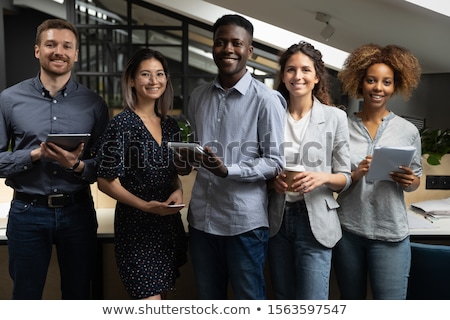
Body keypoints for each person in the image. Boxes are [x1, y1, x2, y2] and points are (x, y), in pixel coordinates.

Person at [0, 18, 109, 299]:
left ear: (75, 54)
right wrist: (36, 154)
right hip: (27, 213)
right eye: (50, 44)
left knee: (78, 296)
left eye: (66, 46)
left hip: (78, 213)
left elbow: (105, 164)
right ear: (37, 50)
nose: (58, 51)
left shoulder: (94, 103)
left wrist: (77, 165)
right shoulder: (9, 100)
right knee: (25, 297)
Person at [179, 14, 286, 299]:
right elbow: (193, 149)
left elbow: (275, 161)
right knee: (208, 300)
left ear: (249, 51)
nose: (228, 49)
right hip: (202, 221)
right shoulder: (198, 96)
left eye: (236, 43)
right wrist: (183, 158)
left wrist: (229, 171)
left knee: (248, 301)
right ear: (213, 46)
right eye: (220, 42)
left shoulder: (267, 99)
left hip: (244, 225)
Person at [94, 48, 188, 300]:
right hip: (136, 228)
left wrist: (178, 190)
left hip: (167, 226)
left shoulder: (170, 125)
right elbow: (105, 181)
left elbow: (172, 174)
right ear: (132, 80)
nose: (153, 80)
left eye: (159, 74)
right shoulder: (122, 123)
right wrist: (145, 206)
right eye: (145, 74)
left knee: (164, 298)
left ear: (166, 80)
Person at [332, 43, 422, 299]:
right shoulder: (342, 127)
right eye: (371, 80)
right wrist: (354, 174)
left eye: (386, 82)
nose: (378, 88)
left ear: (395, 86)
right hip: (348, 232)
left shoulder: (408, 131)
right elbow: (333, 181)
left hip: (391, 234)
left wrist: (409, 180)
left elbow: (415, 180)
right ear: (360, 82)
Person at [267, 41, 351, 300]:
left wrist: (321, 177)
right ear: (283, 76)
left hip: (315, 220)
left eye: (305, 70)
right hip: (276, 218)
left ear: (316, 77)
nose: (298, 76)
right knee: (282, 298)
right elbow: (260, 165)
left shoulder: (335, 117)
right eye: (291, 70)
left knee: (313, 301)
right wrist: (273, 182)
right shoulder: (270, 114)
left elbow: (345, 177)